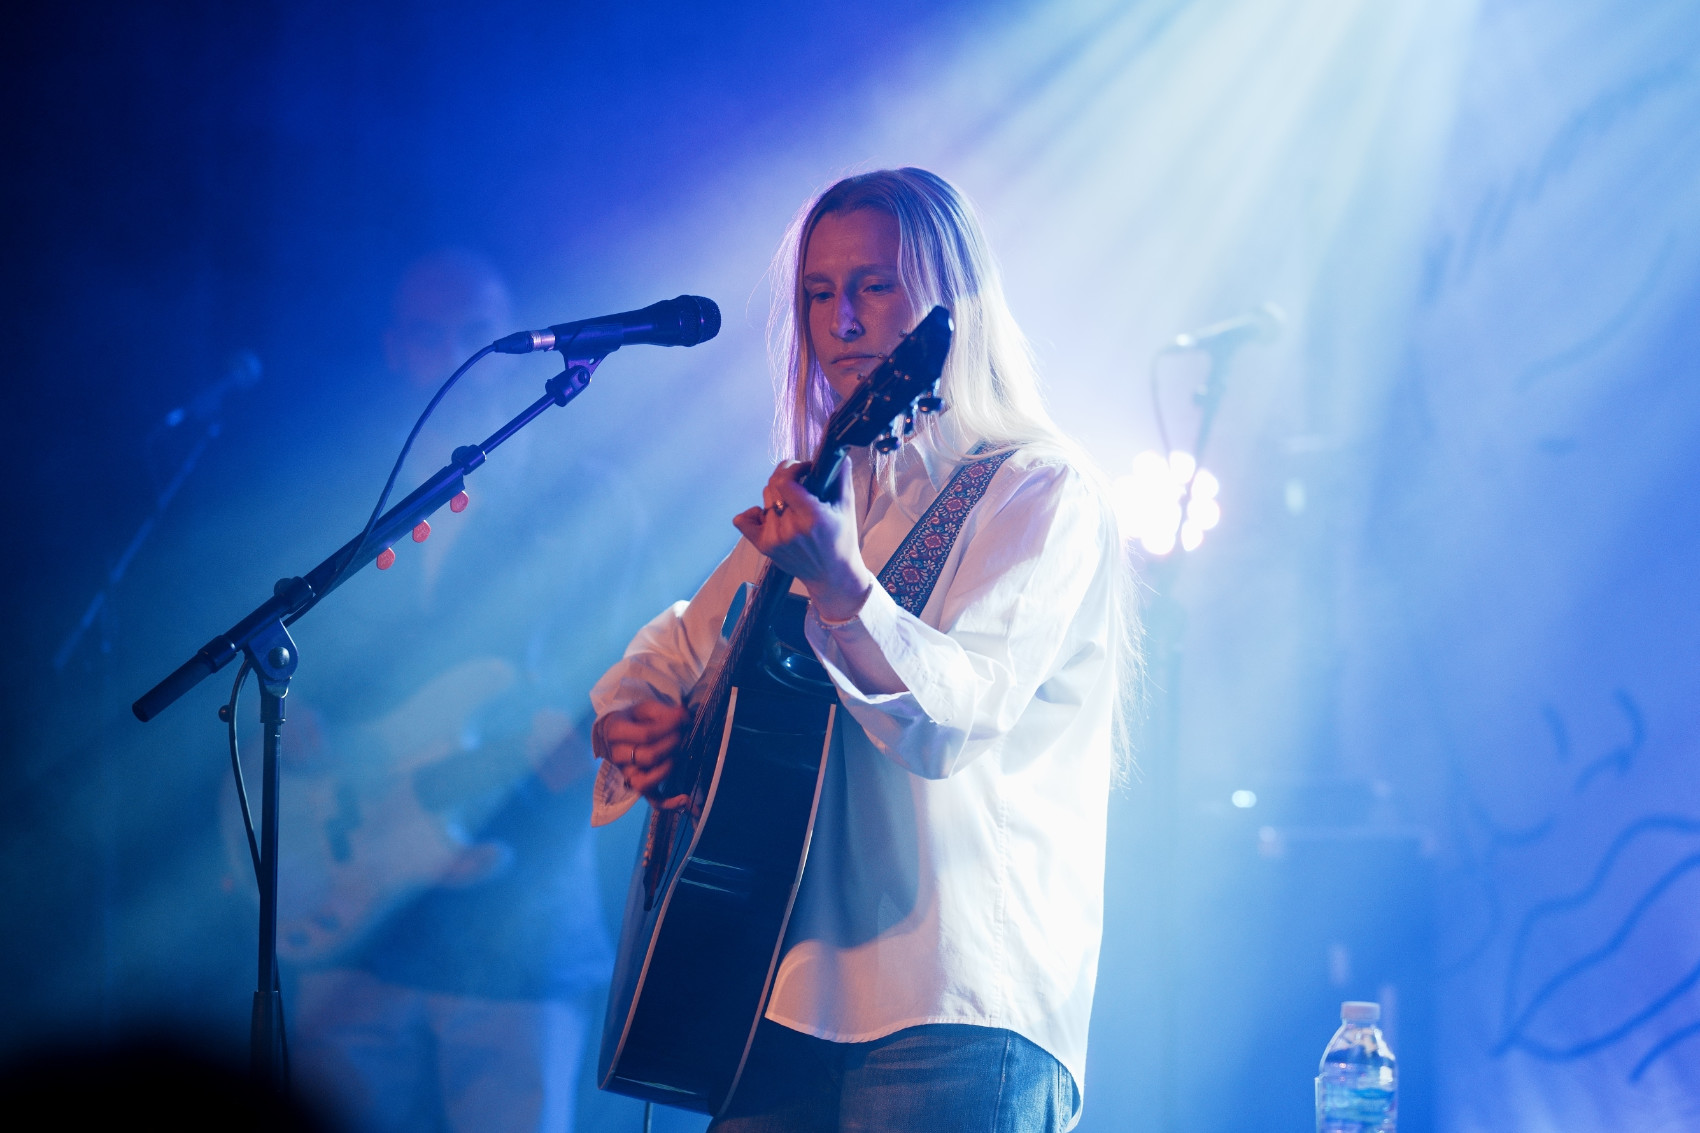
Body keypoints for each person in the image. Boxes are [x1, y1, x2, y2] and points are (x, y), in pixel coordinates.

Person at [588, 169, 1130, 1132]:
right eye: (817, 293)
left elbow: (955, 718)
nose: (839, 320)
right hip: (773, 986)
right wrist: (637, 713)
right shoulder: (833, 492)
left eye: (873, 287)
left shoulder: (1037, 491)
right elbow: (676, 644)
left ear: (947, 305)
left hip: (952, 1000)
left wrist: (844, 587)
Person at [282, 250, 620, 1133]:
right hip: (354, 907)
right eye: (431, 335)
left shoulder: (590, 504)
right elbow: (307, 645)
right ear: (397, 350)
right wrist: (298, 721)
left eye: (477, 333)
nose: (454, 353)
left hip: (518, 924)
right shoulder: (351, 492)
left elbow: (626, 674)